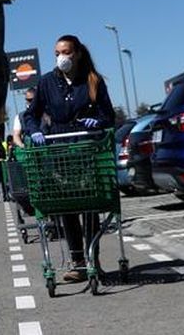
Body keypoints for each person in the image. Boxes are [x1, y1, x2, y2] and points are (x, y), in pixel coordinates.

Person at [23, 34, 116, 282]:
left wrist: (99, 121)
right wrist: (34, 132)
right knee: (68, 206)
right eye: (57, 53)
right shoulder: (46, 83)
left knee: (89, 205)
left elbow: (109, 116)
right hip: (60, 152)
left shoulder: (93, 81)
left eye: (66, 52)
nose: (61, 58)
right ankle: (77, 262)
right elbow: (30, 115)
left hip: (87, 150)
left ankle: (92, 258)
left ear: (78, 54)